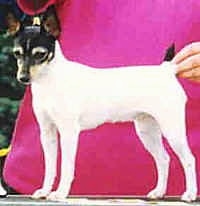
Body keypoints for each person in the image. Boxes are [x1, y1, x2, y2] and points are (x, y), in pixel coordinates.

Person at [3, 0, 200, 196]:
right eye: (19, 56)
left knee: (176, 142)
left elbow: (69, 137)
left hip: (158, 84)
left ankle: (190, 186)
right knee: (150, 138)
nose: (25, 69)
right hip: (25, 183)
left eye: (38, 56)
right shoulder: (43, 88)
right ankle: (47, 186)